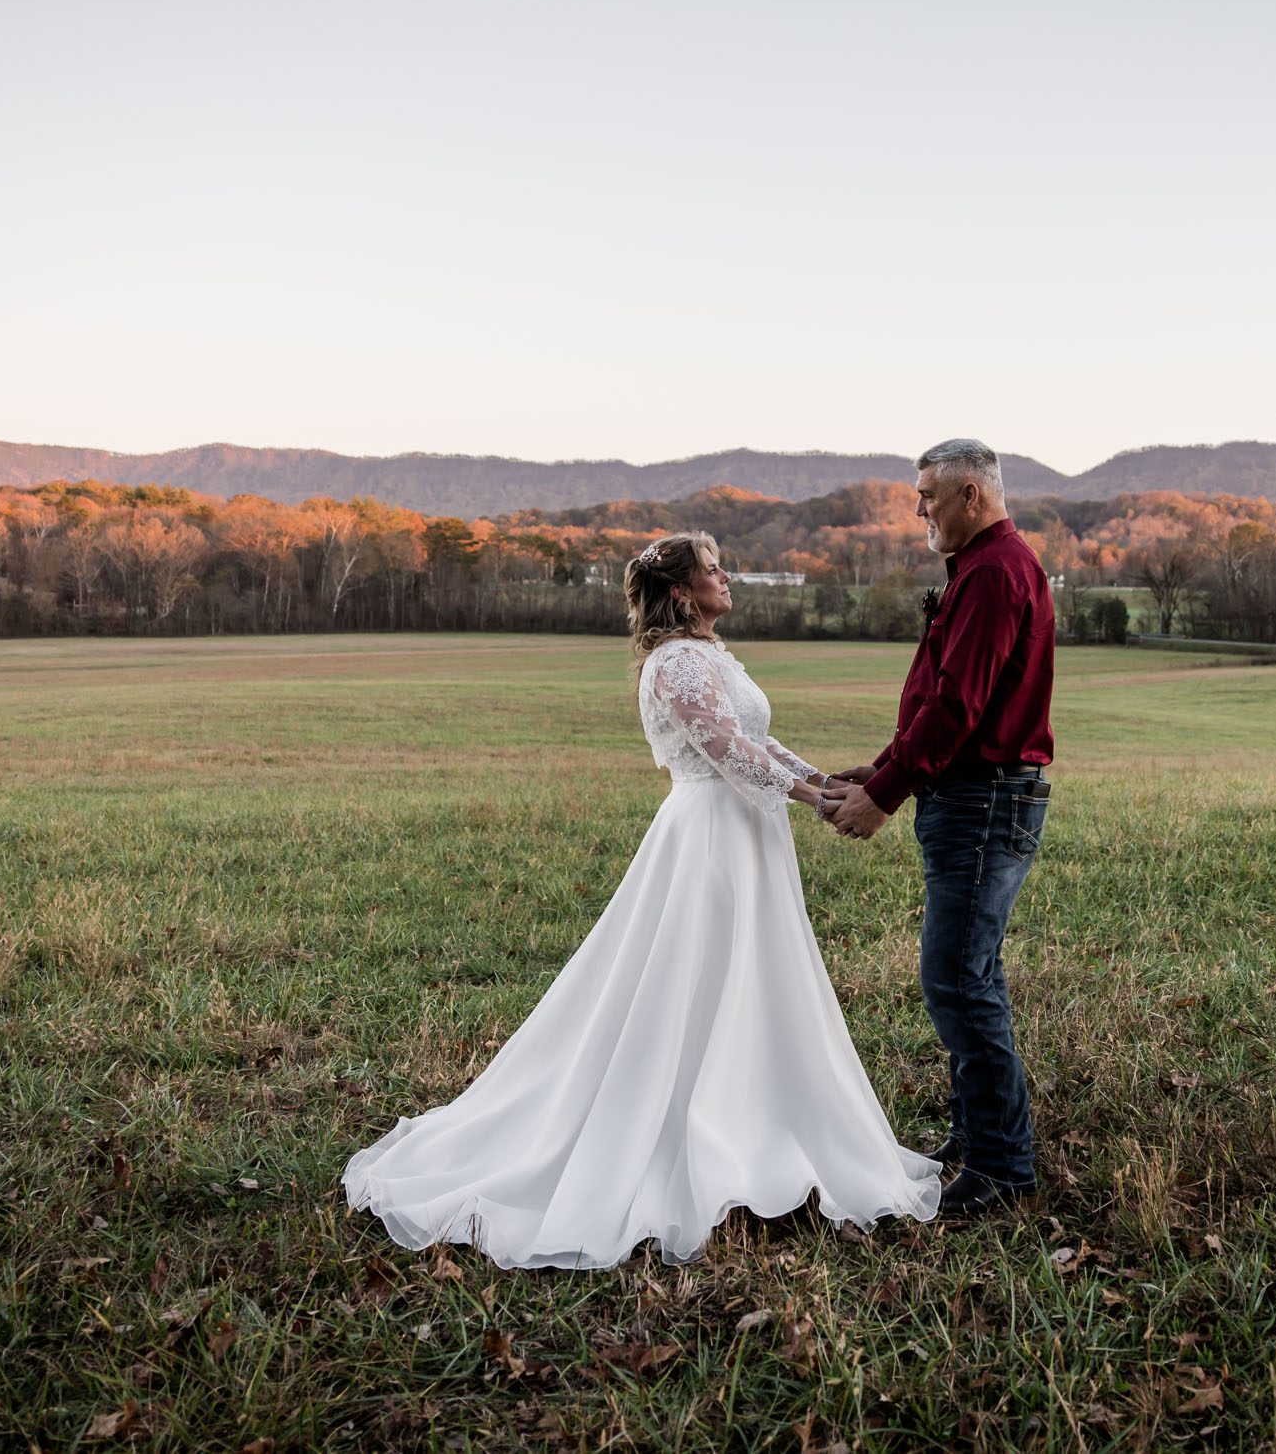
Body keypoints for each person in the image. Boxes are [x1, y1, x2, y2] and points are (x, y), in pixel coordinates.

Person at [339, 531, 943, 1269]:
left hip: (748, 833)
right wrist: (815, 798)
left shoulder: (710, 654)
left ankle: (761, 1114)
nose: (729, 578)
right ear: (684, 592)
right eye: (716, 571)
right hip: (709, 835)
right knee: (691, 979)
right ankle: (685, 1127)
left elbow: (760, 737)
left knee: (754, 976)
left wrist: (830, 780)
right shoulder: (679, 660)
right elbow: (724, 748)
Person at [821, 438, 1055, 1219]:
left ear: (972, 496)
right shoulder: (986, 568)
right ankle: (981, 1138)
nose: (917, 508)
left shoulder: (993, 572)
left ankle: (1000, 1167)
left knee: (957, 977)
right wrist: (881, 762)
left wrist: (886, 793)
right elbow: (943, 697)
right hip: (973, 796)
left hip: (983, 800)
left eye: (928, 494)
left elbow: (960, 708)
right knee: (967, 974)